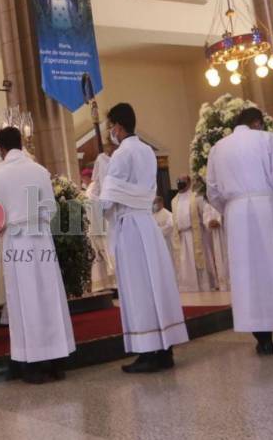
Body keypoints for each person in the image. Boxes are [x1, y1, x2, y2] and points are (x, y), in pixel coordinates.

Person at [101, 103, 188, 373]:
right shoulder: (148, 152)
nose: (110, 132)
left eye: (110, 127)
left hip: (130, 228)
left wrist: (96, 193)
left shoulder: (121, 155)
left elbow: (106, 203)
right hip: (147, 225)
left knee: (138, 288)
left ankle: (148, 350)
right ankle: (164, 349)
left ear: (118, 126)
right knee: (155, 285)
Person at [0, 127, 76, 383]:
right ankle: (58, 361)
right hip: (42, 237)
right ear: (21, 143)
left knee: (24, 301)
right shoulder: (39, 171)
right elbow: (51, 209)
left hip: (16, 241)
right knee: (49, 297)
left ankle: (32, 364)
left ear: (1, 149)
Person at [206, 107, 273, 354]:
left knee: (246, 273)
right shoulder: (267, 139)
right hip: (266, 207)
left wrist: (231, 207)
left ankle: (262, 338)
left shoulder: (218, 148)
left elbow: (212, 191)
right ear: (257, 123)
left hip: (236, 214)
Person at [171, 176, 216, 292]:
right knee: (184, 263)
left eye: (182, 180)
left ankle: (203, 286)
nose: (180, 183)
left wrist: (208, 221)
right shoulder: (174, 200)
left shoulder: (196, 197)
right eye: (178, 181)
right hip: (181, 236)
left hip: (195, 235)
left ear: (189, 182)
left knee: (198, 260)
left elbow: (206, 211)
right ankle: (187, 287)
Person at [86, 146, 117, 291]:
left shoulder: (103, 186)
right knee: (103, 253)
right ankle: (107, 284)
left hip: (106, 222)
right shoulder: (92, 189)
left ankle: (115, 281)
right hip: (98, 223)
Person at [203, 203, 230, 291]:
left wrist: (219, 221)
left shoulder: (226, 200)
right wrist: (209, 222)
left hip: (227, 231)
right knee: (219, 258)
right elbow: (206, 215)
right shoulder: (209, 203)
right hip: (215, 234)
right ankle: (223, 284)